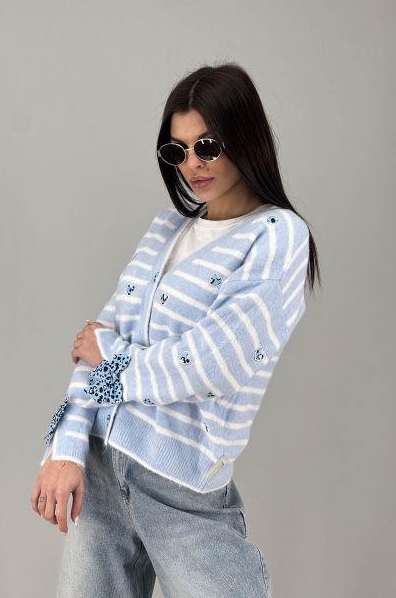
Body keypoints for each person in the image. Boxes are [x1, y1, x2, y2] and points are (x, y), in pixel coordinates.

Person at [30, 61, 321, 598]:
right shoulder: (165, 230)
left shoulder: (277, 236)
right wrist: (65, 449)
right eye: (177, 150)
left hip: (181, 488)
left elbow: (214, 361)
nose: (192, 164)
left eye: (207, 146)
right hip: (99, 472)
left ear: (246, 138)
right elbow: (91, 345)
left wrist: (112, 354)